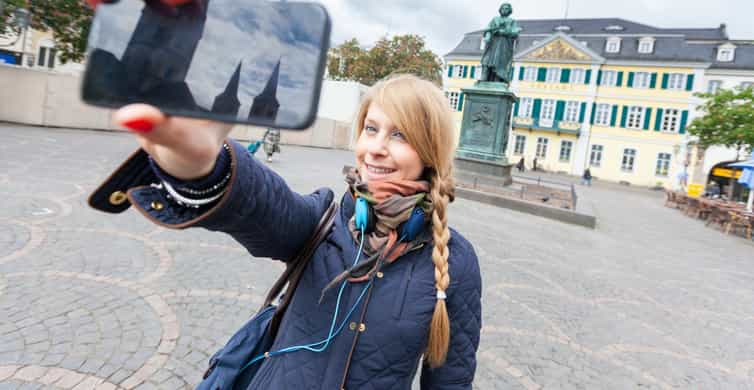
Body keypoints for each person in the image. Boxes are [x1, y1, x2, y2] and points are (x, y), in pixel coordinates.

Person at [86, 31, 482, 389]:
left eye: (399, 135)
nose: (375, 147)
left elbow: (450, 382)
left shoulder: (455, 263)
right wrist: (207, 169)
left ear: (430, 151)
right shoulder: (325, 220)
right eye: (371, 128)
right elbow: (262, 205)